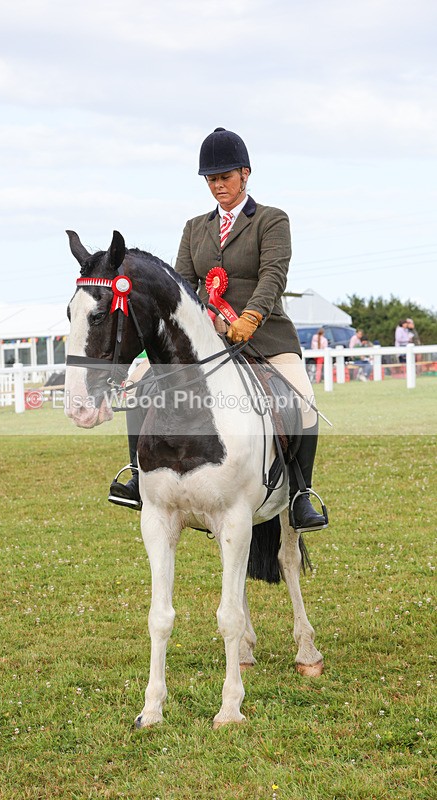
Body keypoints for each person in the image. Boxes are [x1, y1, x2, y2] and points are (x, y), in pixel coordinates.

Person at [109, 127, 328, 533]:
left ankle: (301, 493)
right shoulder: (195, 228)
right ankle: (138, 475)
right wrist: (198, 324)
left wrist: (251, 318)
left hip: (263, 336)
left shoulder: (271, 220)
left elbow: (272, 276)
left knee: (304, 401)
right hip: (206, 341)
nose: (217, 186)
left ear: (245, 174)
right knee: (140, 382)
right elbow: (181, 287)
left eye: (224, 177)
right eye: (211, 179)